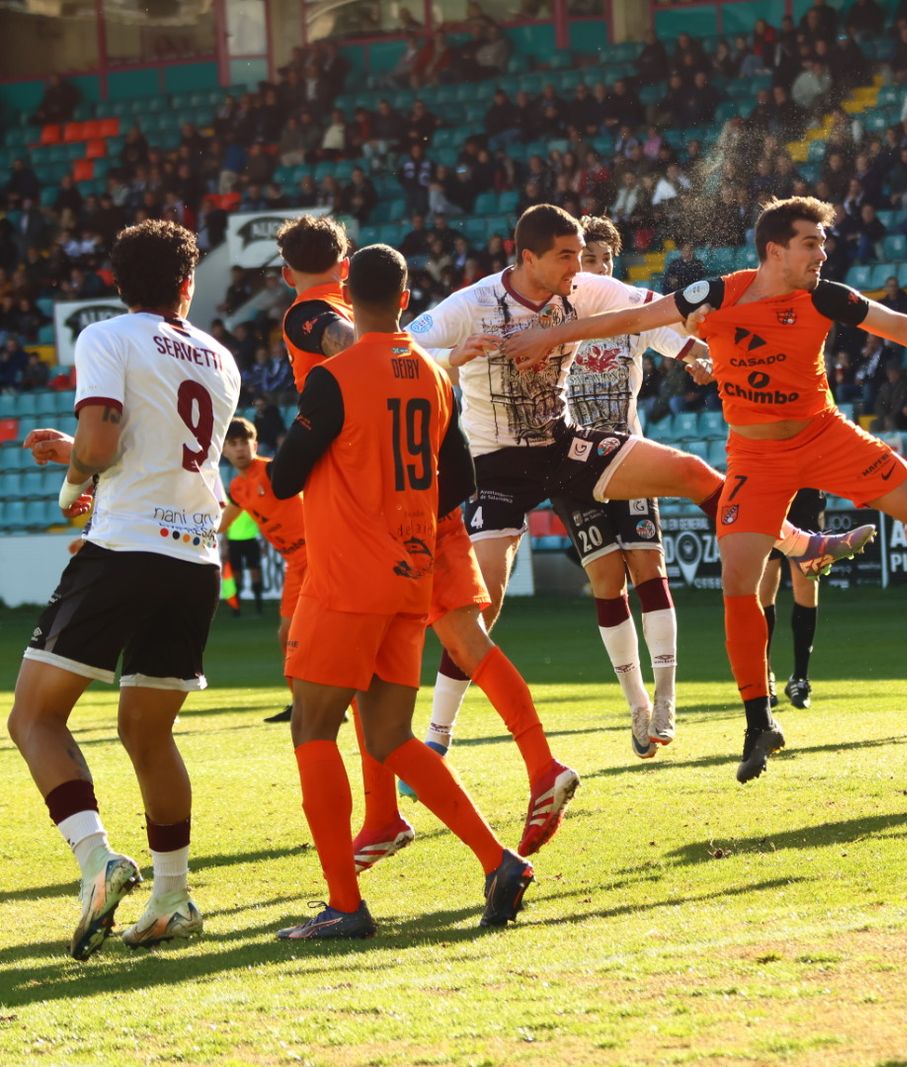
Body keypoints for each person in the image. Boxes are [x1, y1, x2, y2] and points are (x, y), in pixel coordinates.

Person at [509, 196, 907, 783]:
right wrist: (553, 339)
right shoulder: (718, 294)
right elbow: (633, 319)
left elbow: (899, 326)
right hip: (756, 454)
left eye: (822, 243)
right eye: (812, 242)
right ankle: (759, 722)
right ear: (775, 250)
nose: (822, 253)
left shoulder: (824, 295)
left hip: (826, 435)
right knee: (738, 577)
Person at [408, 205, 875, 773]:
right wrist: (448, 361)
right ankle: (436, 738)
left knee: (690, 473)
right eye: (566, 255)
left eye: (582, 254)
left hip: (563, 445)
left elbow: (654, 313)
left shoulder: (581, 288)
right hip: (492, 468)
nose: (579, 265)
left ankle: (799, 542)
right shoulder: (471, 304)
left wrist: (701, 345)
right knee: (481, 605)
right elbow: (402, 350)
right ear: (527, 258)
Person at [274, 215, 575, 863]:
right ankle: (385, 814)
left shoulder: (309, 311)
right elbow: (451, 456)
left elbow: (343, 344)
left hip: (373, 515)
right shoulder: (413, 354)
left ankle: (541, 765)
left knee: (441, 646)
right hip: (419, 505)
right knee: (375, 677)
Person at [10, 220, 241, 958]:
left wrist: (74, 476)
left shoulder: (107, 338)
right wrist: (79, 459)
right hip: (197, 555)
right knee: (149, 730)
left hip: (126, 547)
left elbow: (105, 448)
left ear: (116, 282)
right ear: (187, 283)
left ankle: (95, 860)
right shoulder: (220, 358)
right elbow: (148, 450)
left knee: (34, 718)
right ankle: (172, 896)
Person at [556, 214, 708, 757]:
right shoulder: (554, 314)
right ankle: (637, 705)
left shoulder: (634, 315)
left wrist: (699, 360)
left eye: (603, 261)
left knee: (648, 568)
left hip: (627, 458)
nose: (595, 270)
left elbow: (681, 342)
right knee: (604, 581)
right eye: (585, 260)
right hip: (572, 467)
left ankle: (666, 699)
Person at [221, 417, 305, 723]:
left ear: (255, 445)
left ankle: (332, 703)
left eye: (245, 442)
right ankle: (304, 705)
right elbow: (221, 524)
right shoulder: (238, 487)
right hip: (296, 565)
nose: (240, 448)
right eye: (232, 443)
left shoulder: (272, 469)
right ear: (224, 450)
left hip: (319, 556)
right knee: (287, 635)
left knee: (314, 634)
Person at [759, 488, 825, 709]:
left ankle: (800, 677)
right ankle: (764, 675)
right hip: (767, 492)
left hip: (805, 493)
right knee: (764, 586)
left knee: (807, 585)